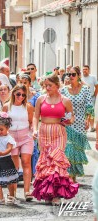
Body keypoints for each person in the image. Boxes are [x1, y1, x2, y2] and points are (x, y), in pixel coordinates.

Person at [32, 73, 79, 205]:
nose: (47, 87)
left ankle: (56, 194)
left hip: (59, 132)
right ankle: (48, 192)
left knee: (56, 162)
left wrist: (69, 120)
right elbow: (36, 116)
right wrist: (35, 129)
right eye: (46, 85)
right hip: (44, 132)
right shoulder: (41, 99)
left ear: (57, 86)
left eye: (50, 85)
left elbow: (71, 117)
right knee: (46, 162)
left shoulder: (65, 100)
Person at [61, 66, 93, 182]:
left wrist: (87, 119)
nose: (71, 77)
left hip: (80, 124)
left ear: (79, 76)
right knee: (68, 149)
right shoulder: (64, 90)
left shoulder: (85, 89)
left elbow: (89, 106)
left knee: (77, 150)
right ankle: (69, 175)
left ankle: (73, 175)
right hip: (67, 123)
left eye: (73, 74)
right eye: (69, 74)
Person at [3, 84, 34, 201]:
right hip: (12, 138)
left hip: (25, 136)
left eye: (23, 95)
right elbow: (3, 122)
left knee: (26, 162)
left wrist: (33, 132)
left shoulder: (28, 107)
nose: (21, 97)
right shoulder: (7, 107)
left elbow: (32, 121)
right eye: (18, 94)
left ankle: (27, 191)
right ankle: (12, 192)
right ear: (13, 94)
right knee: (14, 165)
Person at [81, 65, 98, 132]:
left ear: (89, 70)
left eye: (86, 69)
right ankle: (84, 126)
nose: (84, 70)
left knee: (91, 112)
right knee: (84, 112)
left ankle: (92, 127)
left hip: (91, 97)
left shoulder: (93, 77)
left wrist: (94, 95)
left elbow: (96, 86)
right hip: (83, 98)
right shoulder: (80, 78)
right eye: (83, 69)